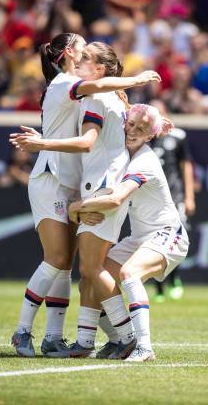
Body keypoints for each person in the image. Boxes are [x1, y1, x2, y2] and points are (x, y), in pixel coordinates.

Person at [9, 33, 161, 358]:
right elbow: (117, 117)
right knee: (65, 264)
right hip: (61, 179)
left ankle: (122, 337)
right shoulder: (80, 87)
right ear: (68, 53)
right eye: (81, 48)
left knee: (82, 268)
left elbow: (91, 139)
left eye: (88, 54)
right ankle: (51, 336)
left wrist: (43, 143)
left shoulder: (96, 94)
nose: (82, 55)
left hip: (91, 183)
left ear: (100, 67)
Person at [68, 104, 188, 362]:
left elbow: (115, 200)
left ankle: (143, 346)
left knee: (129, 274)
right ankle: (105, 340)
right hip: (139, 238)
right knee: (91, 278)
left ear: (149, 136)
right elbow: (118, 105)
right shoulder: (120, 152)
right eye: (131, 124)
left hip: (169, 234)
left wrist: (76, 208)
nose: (132, 131)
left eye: (142, 129)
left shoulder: (144, 160)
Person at [149, 100, 195, 302]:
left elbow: (186, 166)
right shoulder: (143, 138)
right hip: (152, 197)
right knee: (152, 238)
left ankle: (174, 278)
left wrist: (189, 196)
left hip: (174, 196)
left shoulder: (178, 136)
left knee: (177, 236)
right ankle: (158, 287)